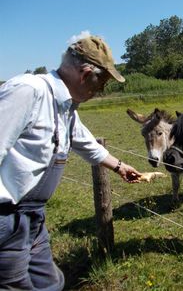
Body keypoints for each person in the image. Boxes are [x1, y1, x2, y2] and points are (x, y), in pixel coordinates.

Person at [0, 34, 143, 290]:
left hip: (33, 216)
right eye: (101, 85)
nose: (100, 92)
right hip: (7, 219)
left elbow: (85, 142)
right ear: (86, 74)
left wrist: (120, 167)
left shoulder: (64, 107)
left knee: (50, 283)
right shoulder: (28, 91)